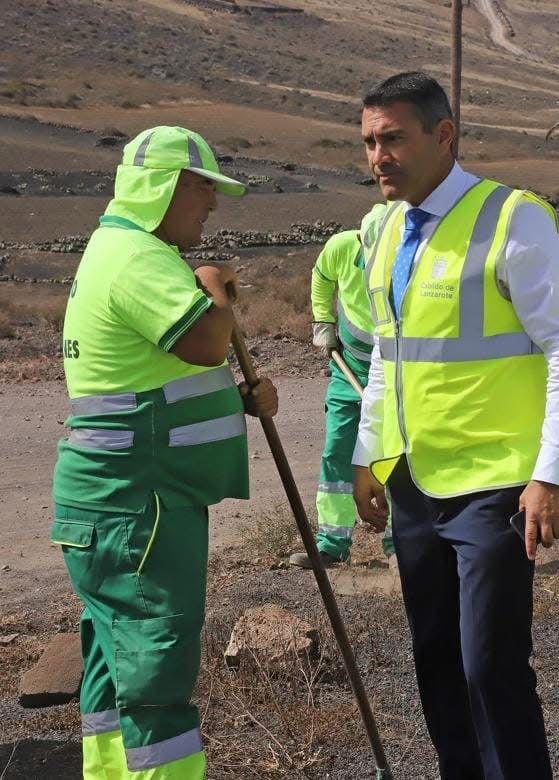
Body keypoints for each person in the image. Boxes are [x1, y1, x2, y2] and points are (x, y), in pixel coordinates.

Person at [352, 72, 559, 779]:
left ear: (444, 136)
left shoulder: (511, 218)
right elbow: (387, 356)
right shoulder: (383, 229)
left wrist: (553, 472)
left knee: (489, 665)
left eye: (393, 138)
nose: (379, 157)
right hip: (414, 482)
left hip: (496, 483)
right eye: (369, 142)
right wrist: (366, 454)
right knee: (435, 660)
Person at [51, 125, 279, 779]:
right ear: (167, 187)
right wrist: (214, 285)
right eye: (204, 188)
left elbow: (156, 378)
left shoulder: (115, 250)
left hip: (117, 504)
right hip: (140, 507)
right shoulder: (137, 257)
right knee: (154, 668)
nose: (212, 204)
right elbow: (205, 342)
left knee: (114, 661)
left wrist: (235, 399)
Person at [289, 204, 395, 568]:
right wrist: (323, 322)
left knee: (394, 456)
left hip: (395, 375)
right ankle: (332, 543)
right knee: (337, 450)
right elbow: (321, 276)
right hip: (347, 368)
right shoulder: (342, 247)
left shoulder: (409, 265)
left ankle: (399, 543)